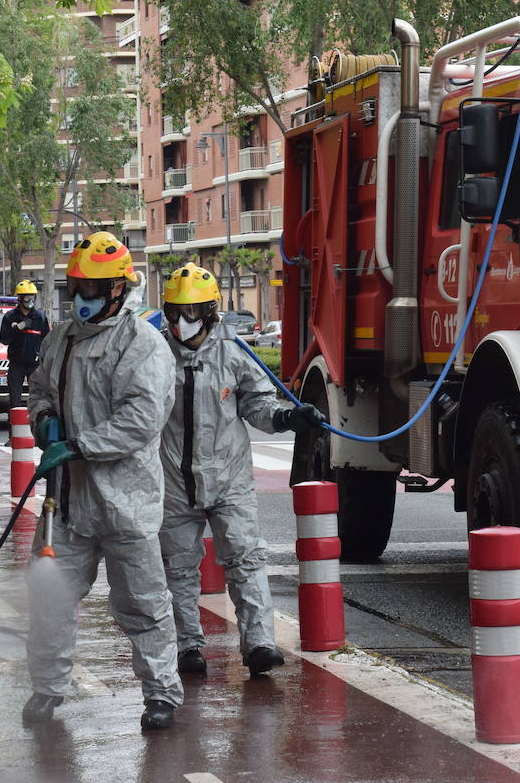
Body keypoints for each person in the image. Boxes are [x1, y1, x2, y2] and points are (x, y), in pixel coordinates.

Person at [22, 232, 183, 731]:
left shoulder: (142, 344)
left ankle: (161, 694)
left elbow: (142, 417)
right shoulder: (62, 339)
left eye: (92, 288)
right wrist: (45, 421)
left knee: (143, 603)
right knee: (48, 601)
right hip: (67, 503)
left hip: (125, 502)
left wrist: (79, 446)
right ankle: (47, 689)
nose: (82, 297)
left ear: (118, 288)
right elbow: (41, 390)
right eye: (76, 287)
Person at [157, 265, 322, 677]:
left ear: (210, 312)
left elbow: (258, 406)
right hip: (174, 480)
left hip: (229, 477)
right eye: (176, 310)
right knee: (176, 567)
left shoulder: (234, 354)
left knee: (246, 558)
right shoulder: (154, 356)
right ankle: (187, 647)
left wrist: (288, 418)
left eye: (191, 311)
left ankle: (259, 643)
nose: (182, 320)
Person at [0, 280, 49, 408]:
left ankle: (34, 427)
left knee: (37, 401)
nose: (30, 300)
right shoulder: (10, 317)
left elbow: (47, 341)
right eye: (27, 297)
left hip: (35, 366)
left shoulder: (40, 317)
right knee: (14, 402)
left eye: (32, 296)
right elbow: (4, 340)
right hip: (16, 365)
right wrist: (17, 329)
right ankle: (14, 427)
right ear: (20, 298)